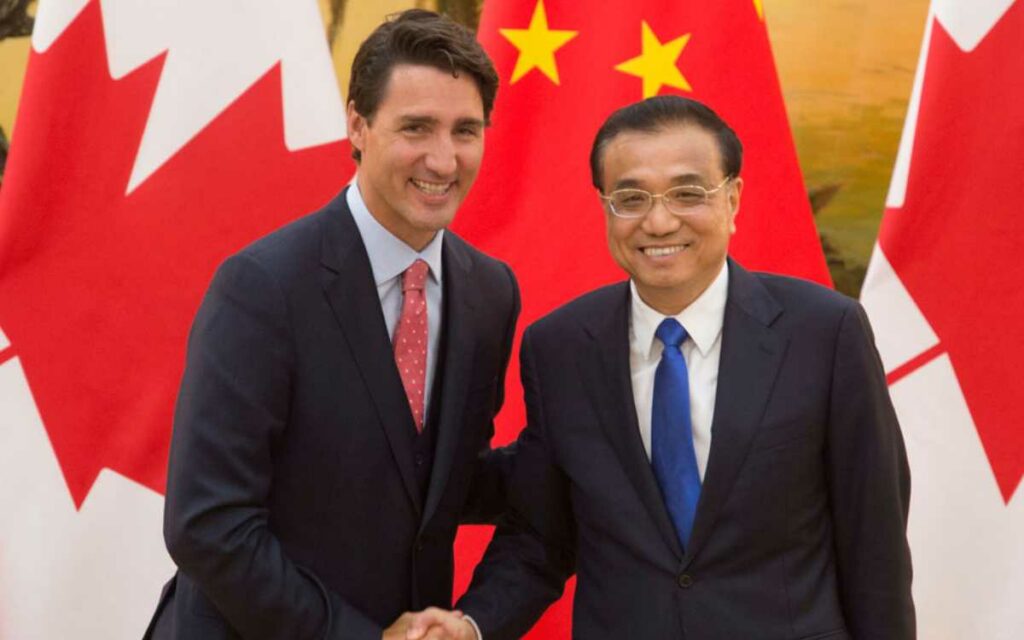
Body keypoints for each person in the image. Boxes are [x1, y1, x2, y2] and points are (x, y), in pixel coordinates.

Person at [411, 95, 915, 639]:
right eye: (630, 197)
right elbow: (541, 537)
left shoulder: (825, 334)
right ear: (606, 206)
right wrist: (472, 625)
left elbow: (875, 549)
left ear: (733, 199)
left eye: (687, 193)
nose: (658, 220)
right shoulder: (559, 349)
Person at [143, 10, 519, 640]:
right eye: (416, 127)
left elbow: (438, 476)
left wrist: (593, 452)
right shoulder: (262, 287)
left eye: (465, 130)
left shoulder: (490, 292)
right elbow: (208, 523)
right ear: (357, 124)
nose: (443, 157)